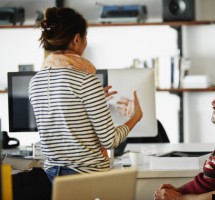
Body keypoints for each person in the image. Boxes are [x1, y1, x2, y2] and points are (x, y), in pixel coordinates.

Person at [28, 7, 143, 182]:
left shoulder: (35, 82)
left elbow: (63, 122)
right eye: (85, 37)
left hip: (51, 178)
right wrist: (135, 117)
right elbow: (110, 141)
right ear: (76, 39)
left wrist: (91, 100)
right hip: (85, 180)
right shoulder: (85, 80)